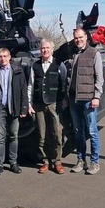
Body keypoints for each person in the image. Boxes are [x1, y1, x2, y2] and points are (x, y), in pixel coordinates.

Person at [0, 48, 28, 177]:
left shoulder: (17, 71)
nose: (2, 58)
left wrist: (23, 108)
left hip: (13, 108)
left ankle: (13, 162)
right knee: (0, 138)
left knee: (14, 136)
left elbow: (23, 91)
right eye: (0, 56)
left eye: (5, 56)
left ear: (10, 57)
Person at [67, 27, 104, 175]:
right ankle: (81, 160)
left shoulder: (94, 53)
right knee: (78, 132)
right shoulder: (74, 54)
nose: (78, 40)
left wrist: (96, 96)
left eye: (81, 37)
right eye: (76, 38)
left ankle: (95, 162)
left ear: (86, 37)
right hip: (74, 99)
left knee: (92, 131)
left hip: (88, 99)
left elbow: (99, 77)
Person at [28, 39, 67, 174]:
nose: (45, 50)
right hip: (38, 105)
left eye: (47, 48)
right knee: (41, 135)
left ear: (52, 49)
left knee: (56, 133)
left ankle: (57, 161)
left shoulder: (59, 64)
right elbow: (30, 86)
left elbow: (64, 85)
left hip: (54, 104)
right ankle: (45, 161)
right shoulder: (35, 65)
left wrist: (62, 103)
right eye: (43, 48)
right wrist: (29, 104)